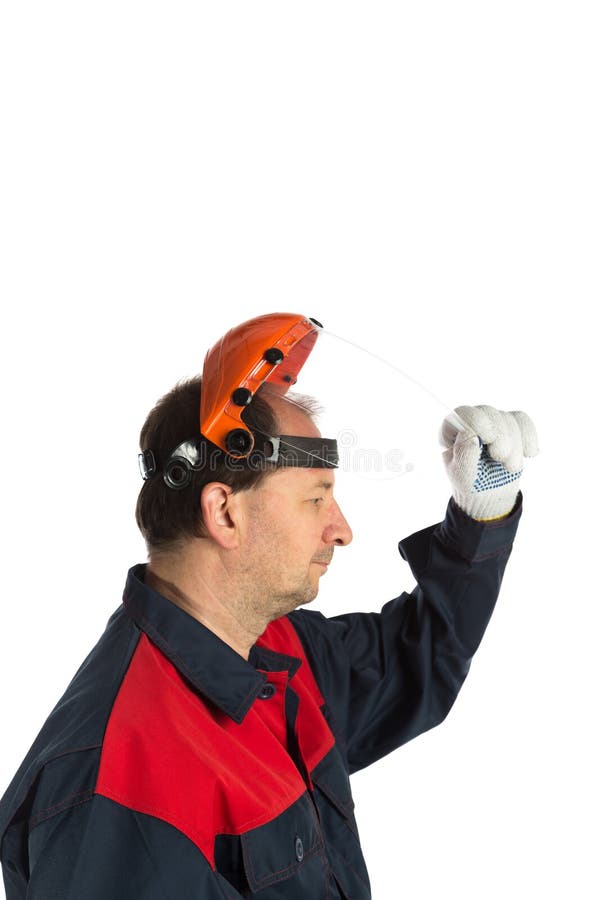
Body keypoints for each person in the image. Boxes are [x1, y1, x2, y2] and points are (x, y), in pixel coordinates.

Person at [0, 315, 537, 899]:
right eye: (316, 498)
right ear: (224, 512)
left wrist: (481, 515)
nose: (342, 530)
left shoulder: (276, 650)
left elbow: (417, 662)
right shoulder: (121, 779)